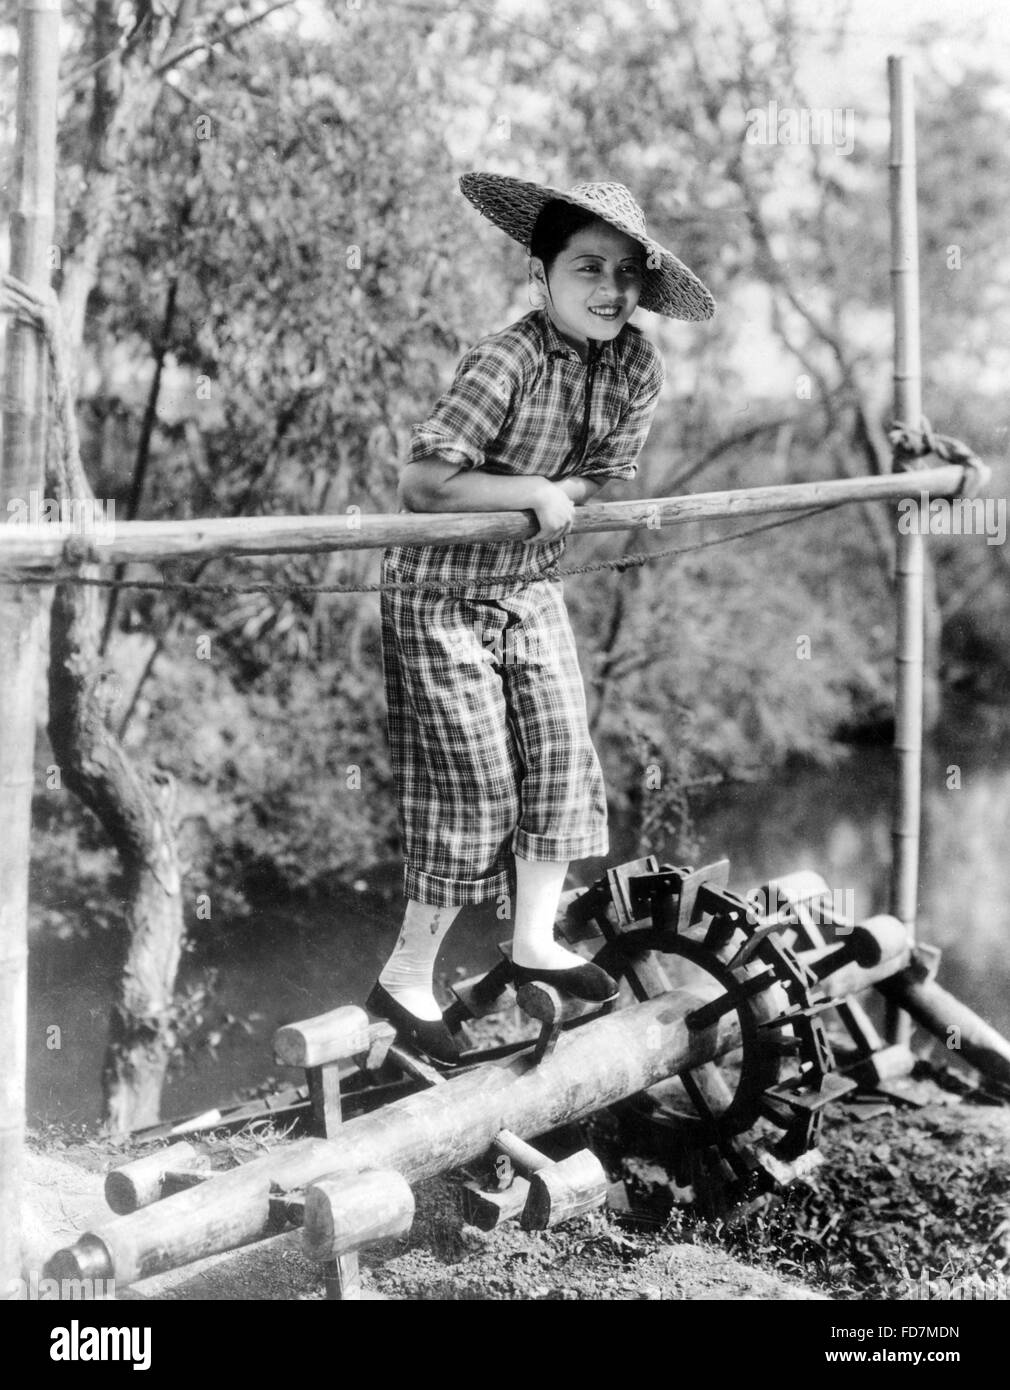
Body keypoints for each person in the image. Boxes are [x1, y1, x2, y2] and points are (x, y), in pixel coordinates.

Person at [368, 173, 714, 1065]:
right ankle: (406, 978)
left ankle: (532, 941)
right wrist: (529, 491)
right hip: (440, 591)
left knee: (563, 755)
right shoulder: (506, 358)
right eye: (587, 267)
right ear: (543, 274)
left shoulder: (636, 362)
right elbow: (424, 482)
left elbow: (604, 471)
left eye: (628, 274)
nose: (610, 291)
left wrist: (565, 494)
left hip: (528, 586)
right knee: (478, 787)